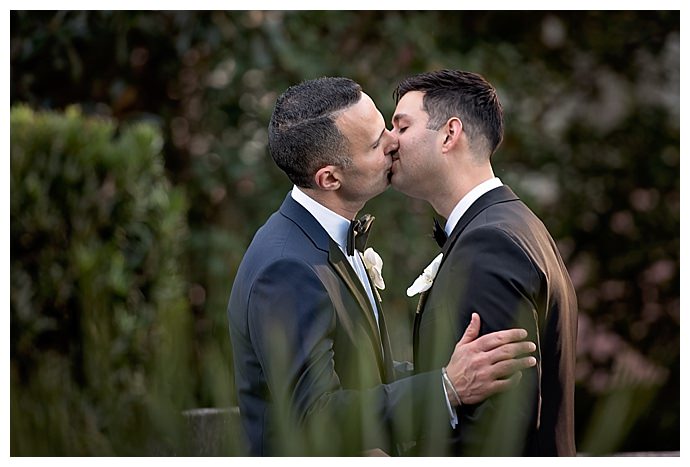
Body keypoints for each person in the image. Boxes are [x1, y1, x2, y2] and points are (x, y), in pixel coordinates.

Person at [227, 76, 537, 456]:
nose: (394, 141)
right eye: (376, 143)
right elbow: (316, 417)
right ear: (329, 178)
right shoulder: (287, 267)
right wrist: (444, 386)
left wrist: (454, 371)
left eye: (386, 126)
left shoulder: (323, 239)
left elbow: (365, 375)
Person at [389, 69, 578, 456]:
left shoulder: (490, 243)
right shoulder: (513, 223)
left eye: (402, 126)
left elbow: (491, 429)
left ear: (449, 134)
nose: (389, 142)